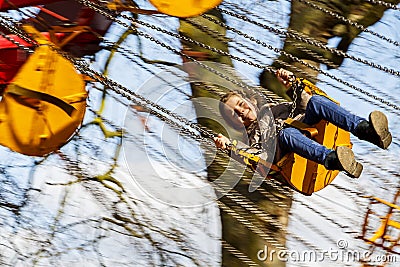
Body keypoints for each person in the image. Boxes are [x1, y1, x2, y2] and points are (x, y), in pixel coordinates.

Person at [214, 69, 392, 178]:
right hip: (289, 158)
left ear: (249, 99)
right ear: (234, 124)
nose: (241, 111)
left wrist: (293, 87)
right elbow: (256, 157)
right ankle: (332, 159)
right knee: (285, 133)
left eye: (240, 104)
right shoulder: (250, 140)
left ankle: (366, 130)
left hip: (306, 127)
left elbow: (302, 107)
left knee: (315, 102)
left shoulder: (271, 109)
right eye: (234, 114)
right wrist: (231, 148)